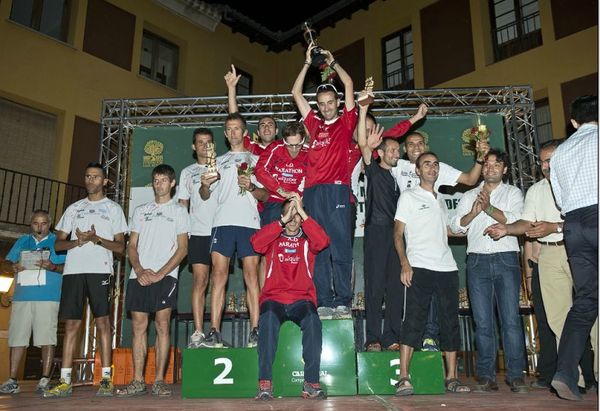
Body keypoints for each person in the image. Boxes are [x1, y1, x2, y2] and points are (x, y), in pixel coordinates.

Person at [484, 139, 597, 391]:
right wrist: (507, 229)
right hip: (548, 254)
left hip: (580, 250)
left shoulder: (583, 183)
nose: (547, 166)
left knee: (594, 316)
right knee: (557, 320)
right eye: (543, 161)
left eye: (552, 160)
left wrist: (554, 227)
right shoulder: (536, 190)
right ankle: (572, 378)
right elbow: (527, 223)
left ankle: (597, 374)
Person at [380, 124, 488, 351]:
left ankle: (429, 337)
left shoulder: (437, 169)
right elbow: (370, 157)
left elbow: (469, 179)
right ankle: (393, 339)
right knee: (397, 287)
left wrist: (479, 158)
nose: (416, 147)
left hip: (427, 235)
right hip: (400, 229)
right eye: (410, 145)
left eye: (420, 143)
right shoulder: (396, 164)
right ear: (404, 150)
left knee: (431, 287)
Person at [43, 162, 128, 398]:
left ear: (104, 181)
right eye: (88, 176)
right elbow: (58, 244)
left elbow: (120, 247)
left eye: (96, 177)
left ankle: (106, 380)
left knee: (103, 323)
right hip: (73, 272)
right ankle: (65, 380)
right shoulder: (73, 209)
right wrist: (77, 242)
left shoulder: (113, 209)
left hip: (100, 271)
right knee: (72, 325)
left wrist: (96, 239)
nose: (91, 180)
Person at [450, 149, 528, 393]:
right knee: (482, 322)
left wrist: (489, 208)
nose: (490, 168)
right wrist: (475, 210)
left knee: (511, 321)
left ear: (505, 169)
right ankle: (486, 375)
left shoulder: (514, 192)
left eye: (497, 164)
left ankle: (516, 375)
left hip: (506, 258)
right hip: (476, 261)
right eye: (487, 164)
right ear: (482, 168)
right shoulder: (470, 194)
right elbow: (455, 225)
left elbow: (516, 220)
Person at [393, 152, 469, 396]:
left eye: (436, 164)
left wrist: (475, 219)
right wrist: (405, 263)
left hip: (447, 268)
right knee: (413, 320)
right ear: (417, 170)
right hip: (420, 266)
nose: (432, 168)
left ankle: (452, 378)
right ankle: (404, 377)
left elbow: (446, 231)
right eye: (426, 164)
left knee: (449, 323)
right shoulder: (409, 196)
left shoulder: (441, 200)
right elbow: (397, 233)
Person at [291, 43, 357, 319]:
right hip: (314, 194)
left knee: (340, 247)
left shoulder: (346, 123)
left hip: (338, 193)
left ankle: (343, 301)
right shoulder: (313, 125)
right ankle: (324, 302)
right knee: (317, 248)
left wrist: (333, 61)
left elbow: (349, 83)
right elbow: (295, 92)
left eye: (331, 103)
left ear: (338, 104)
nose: (327, 107)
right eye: (322, 104)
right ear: (317, 106)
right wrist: (307, 63)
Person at [116, 164, 189, 398]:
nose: (159, 185)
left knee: (162, 325)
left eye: (163, 180)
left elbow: (183, 249)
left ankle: (159, 380)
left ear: (173, 183)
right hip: (139, 276)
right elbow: (132, 246)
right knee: (138, 327)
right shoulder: (140, 210)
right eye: (156, 180)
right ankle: (137, 380)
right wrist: (138, 269)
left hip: (166, 276)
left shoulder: (179, 211)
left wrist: (160, 273)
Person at [200, 112, 269, 348]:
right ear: (225, 133)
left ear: (245, 132)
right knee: (218, 277)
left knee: (251, 276)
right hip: (222, 223)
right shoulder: (215, 161)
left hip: (250, 223)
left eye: (237, 128)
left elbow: (266, 195)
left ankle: (256, 330)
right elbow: (205, 195)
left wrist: (251, 186)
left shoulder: (257, 161)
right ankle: (214, 332)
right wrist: (204, 185)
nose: (232, 133)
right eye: (228, 129)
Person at [250, 195, 330, 400]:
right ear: (282, 215)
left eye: (297, 214)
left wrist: (302, 212)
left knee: (313, 321)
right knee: (266, 320)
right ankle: (265, 383)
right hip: (273, 299)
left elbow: (323, 242)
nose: (293, 218)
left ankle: (311, 383)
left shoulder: (307, 241)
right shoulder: (273, 238)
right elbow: (256, 244)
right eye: (289, 213)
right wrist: (281, 221)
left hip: (302, 300)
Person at [548, 95, 598, 401]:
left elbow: (559, 200)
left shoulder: (561, 151)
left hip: (574, 226)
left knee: (586, 299)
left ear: (574, 122)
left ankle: (565, 372)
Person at [356, 96, 403, 352]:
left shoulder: (399, 178)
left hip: (397, 235)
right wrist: (368, 144)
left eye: (398, 150)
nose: (397, 153)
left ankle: (392, 336)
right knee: (374, 287)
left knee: (395, 287)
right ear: (381, 153)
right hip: (375, 231)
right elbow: (364, 149)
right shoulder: (374, 169)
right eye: (392, 150)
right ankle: (373, 337)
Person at [0, 210, 65, 395]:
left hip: (48, 296)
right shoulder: (22, 241)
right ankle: (12, 380)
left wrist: (52, 266)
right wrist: (13, 266)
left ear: (49, 224)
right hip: (22, 296)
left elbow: (66, 268)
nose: (39, 226)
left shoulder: (57, 242)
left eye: (43, 223)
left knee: (47, 338)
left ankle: (44, 379)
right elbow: (7, 263)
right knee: (17, 338)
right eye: (36, 223)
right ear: (31, 224)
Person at [177, 128, 219, 348]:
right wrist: (183, 235)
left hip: (222, 230)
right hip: (198, 233)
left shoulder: (222, 166)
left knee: (219, 282)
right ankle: (198, 331)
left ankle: (215, 331)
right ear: (194, 147)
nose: (204, 146)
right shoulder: (187, 172)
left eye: (208, 142)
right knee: (200, 281)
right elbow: (182, 205)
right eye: (200, 142)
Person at [225, 64, 279, 155]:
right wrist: (231, 88)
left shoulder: (286, 150)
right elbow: (235, 119)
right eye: (262, 125)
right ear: (258, 132)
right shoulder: (251, 147)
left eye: (270, 125)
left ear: (276, 131)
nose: (266, 127)